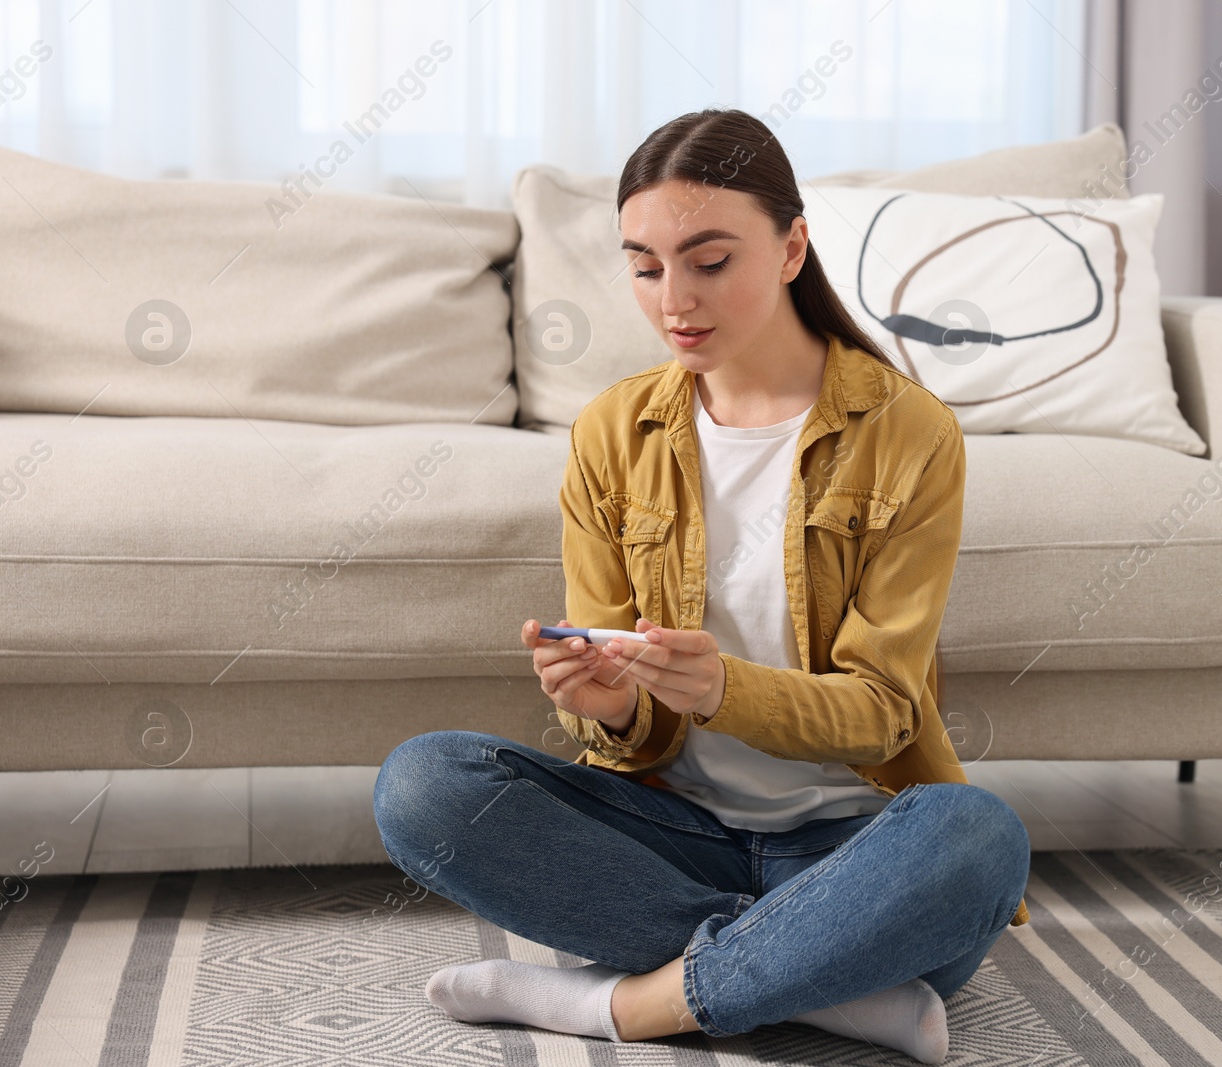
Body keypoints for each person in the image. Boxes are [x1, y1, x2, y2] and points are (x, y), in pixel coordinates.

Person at [372, 107, 1031, 1064]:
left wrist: (726, 687)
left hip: (851, 849)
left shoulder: (908, 432)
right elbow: (614, 715)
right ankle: (827, 982)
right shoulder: (613, 433)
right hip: (667, 834)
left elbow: (886, 714)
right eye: (644, 265)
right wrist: (610, 704)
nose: (673, 297)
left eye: (710, 261)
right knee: (422, 785)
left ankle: (619, 1005)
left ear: (793, 245)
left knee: (977, 836)